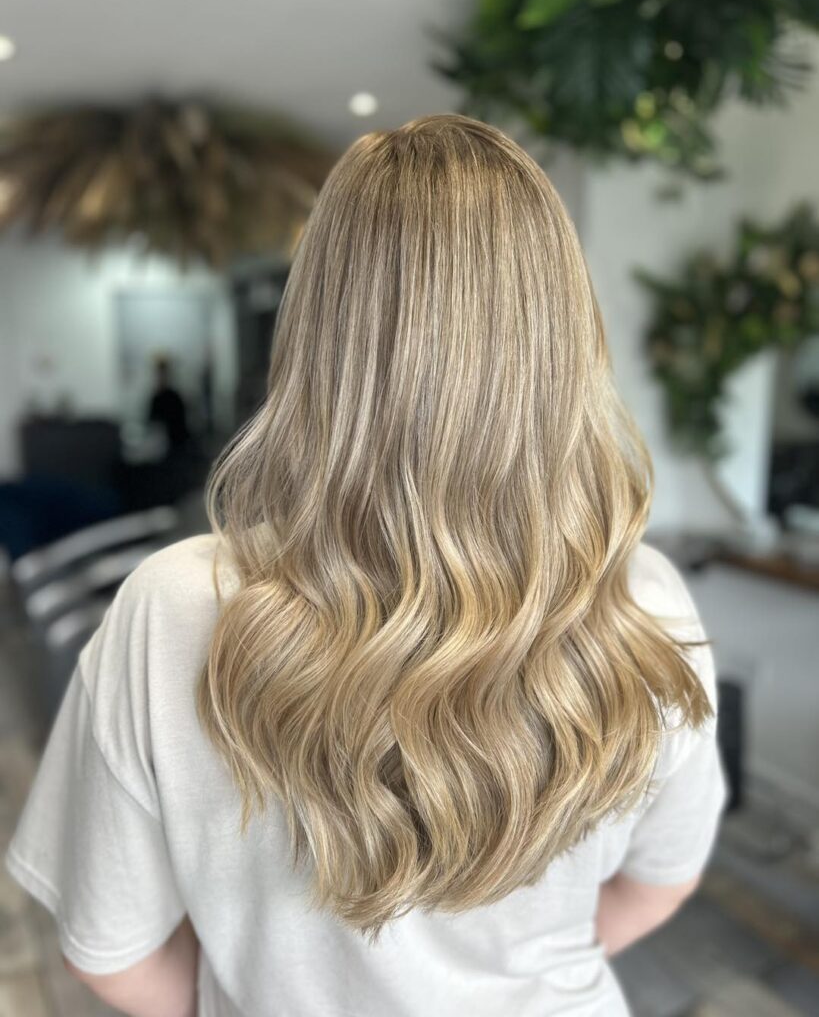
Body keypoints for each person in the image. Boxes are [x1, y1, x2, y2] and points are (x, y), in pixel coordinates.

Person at [5, 115, 728, 1017]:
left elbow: (110, 953)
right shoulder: (645, 604)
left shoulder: (176, 607)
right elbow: (657, 885)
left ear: (316, 336)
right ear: (564, 341)